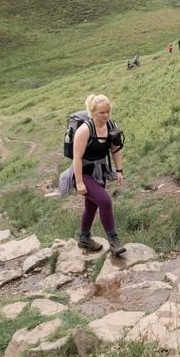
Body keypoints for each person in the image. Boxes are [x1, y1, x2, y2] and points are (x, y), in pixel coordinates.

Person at [73, 93, 126, 256]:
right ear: (92, 112)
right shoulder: (84, 130)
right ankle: (114, 242)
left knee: (91, 206)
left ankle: (84, 238)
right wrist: (80, 182)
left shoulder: (111, 125)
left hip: (99, 172)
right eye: (101, 112)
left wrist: (119, 171)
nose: (106, 115)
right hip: (83, 173)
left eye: (108, 111)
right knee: (105, 201)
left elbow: (116, 150)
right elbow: (76, 158)